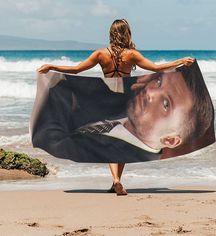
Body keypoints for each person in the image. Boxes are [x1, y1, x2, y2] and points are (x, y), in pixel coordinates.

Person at [37, 19, 195, 196]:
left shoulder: (100, 54)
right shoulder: (131, 55)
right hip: (126, 99)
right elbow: (155, 68)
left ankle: (116, 181)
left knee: (111, 141)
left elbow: (76, 69)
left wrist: (52, 66)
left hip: (105, 98)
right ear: (126, 33)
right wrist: (180, 61)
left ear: (111, 34)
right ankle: (117, 180)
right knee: (122, 141)